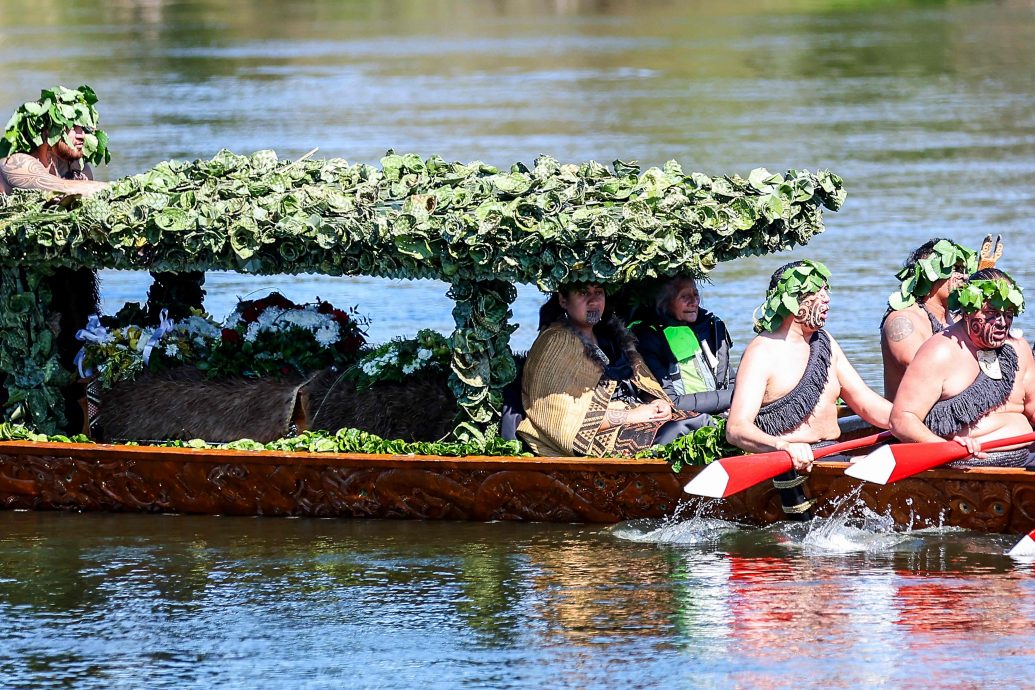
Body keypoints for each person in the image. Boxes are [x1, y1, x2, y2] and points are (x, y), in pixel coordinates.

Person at [725, 260, 892, 517]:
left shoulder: (825, 343)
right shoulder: (762, 352)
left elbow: (866, 402)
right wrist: (782, 446)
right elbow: (736, 429)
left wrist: (914, 421)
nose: (827, 299)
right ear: (792, 300)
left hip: (834, 454)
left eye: (827, 290)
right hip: (789, 465)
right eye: (818, 291)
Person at [1, 86, 112, 432]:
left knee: (87, 350)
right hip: (16, 292)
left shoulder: (80, 171)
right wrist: (113, 189)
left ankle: (89, 429)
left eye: (88, 127)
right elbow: (52, 188)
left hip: (66, 287)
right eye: (75, 125)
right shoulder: (16, 162)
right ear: (47, 130)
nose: (84, 134)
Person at [517, 283, 706, 457]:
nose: (593, 300)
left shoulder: (613, 337)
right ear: (563, 300)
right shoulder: (556, 342)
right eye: (583, 293)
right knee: (676, 431)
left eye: (598, 292)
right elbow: (558, 417)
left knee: (702, 422)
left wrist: (657, 402)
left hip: (640, 413)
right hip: (597, 434)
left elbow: (643, 383)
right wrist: (632, 416)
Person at [890, 261, 1035, 467]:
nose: (1002, 323)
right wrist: (946, 449)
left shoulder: (1019, 349)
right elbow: (902, 420)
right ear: (968, 310)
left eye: (1008, 314)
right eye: (992, 314)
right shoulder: (940, 352)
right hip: (966, 464)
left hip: (1026, 457)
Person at [880, 238, 976, 400]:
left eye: (964, 270)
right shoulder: (903, 320)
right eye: (955, 268)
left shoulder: (959, 319)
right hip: (912, 419)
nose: (964, 277)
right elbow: (923, 376)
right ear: (929, 273)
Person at [632, 276, 734, 422]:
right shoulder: (648, 338)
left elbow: (729, 379)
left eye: (696, 294)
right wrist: (735, 397)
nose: (694, 302)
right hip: (684, 419)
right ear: (664, 302)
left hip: (722, 406)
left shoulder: (708, 327)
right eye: (685, 296)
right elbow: (672, 402)